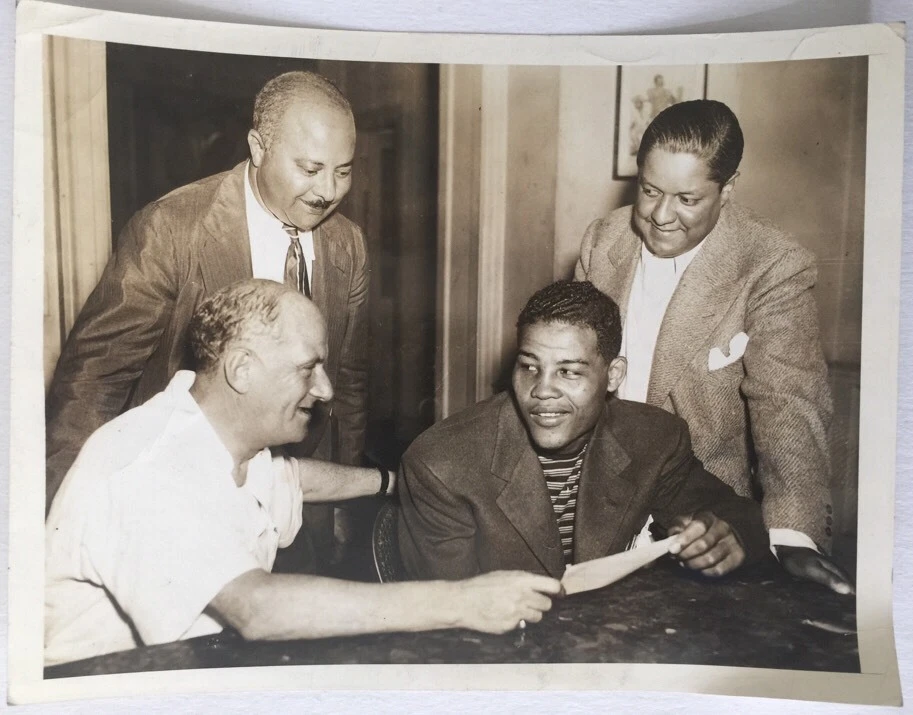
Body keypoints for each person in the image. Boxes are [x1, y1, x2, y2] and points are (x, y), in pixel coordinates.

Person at [44, 280, 561, 667]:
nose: (326, 389)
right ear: (241, 370)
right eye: (306, 368)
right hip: (96, 689)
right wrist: (464, 602)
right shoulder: (147, 467)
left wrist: (394, 483)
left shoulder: (220, 439)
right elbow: (257, 610)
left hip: (186, 672)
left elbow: (292, 480)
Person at [45, 70, 367, 565]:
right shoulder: (172, 229)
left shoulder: (348, 245)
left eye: (343, 171)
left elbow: (347, 380)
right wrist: (63, 522)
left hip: (297, 497)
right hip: (175, 495)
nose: (328, 190)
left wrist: (345, 500)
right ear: (258, 148)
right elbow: (95, 379)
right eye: (310, 168)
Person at [575, 99, 853, 594]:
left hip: (706, 528)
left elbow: (788, 404)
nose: (660, 215)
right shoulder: (603, 241)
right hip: (593, 510)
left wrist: (792, 538)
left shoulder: (772, 264)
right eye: (650, 190)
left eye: (687, 199)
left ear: (727, 189)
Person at [397, 280, 768, 581]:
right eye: (529, 367)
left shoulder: (653, 438)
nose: (542, 390)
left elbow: (730, 511)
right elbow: (449, 618)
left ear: (614, 376)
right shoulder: (441, 463)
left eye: (569, 371)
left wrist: (727, 536)